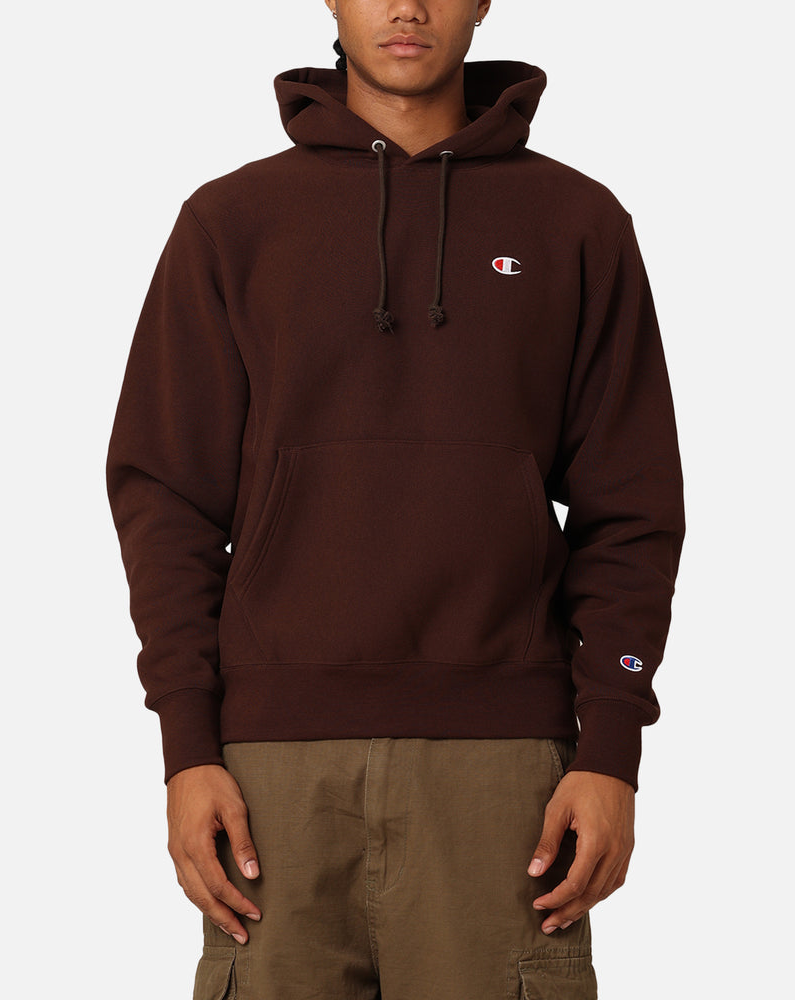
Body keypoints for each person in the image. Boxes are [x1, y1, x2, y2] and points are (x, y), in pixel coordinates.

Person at [106, 1, 685, 997]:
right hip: (270, 765)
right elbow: (166, 499)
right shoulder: (231, 222)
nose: (407, 5)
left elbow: (632, 510)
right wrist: (186, 744)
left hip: (504, 762)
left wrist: (612, 745)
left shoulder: (577, 222)